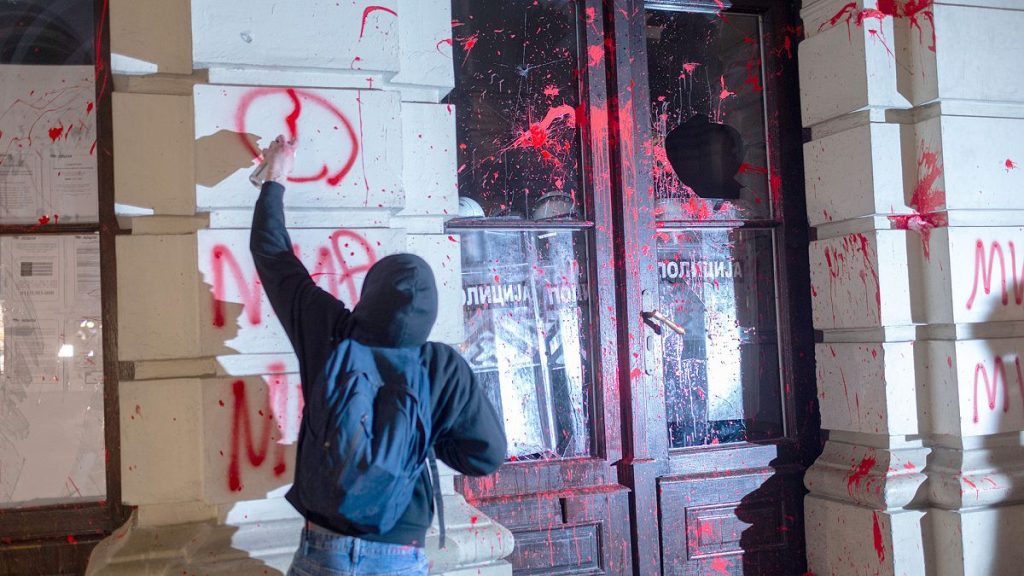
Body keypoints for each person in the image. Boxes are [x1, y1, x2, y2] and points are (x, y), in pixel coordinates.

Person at [250, 135, 507, 575]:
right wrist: (422, 438)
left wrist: (275, 176)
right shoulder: (441, 367)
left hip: (324, 548)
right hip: (399, 552)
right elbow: (486, 455)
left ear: (370, 291)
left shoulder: (329, 330)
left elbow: (273, 254)